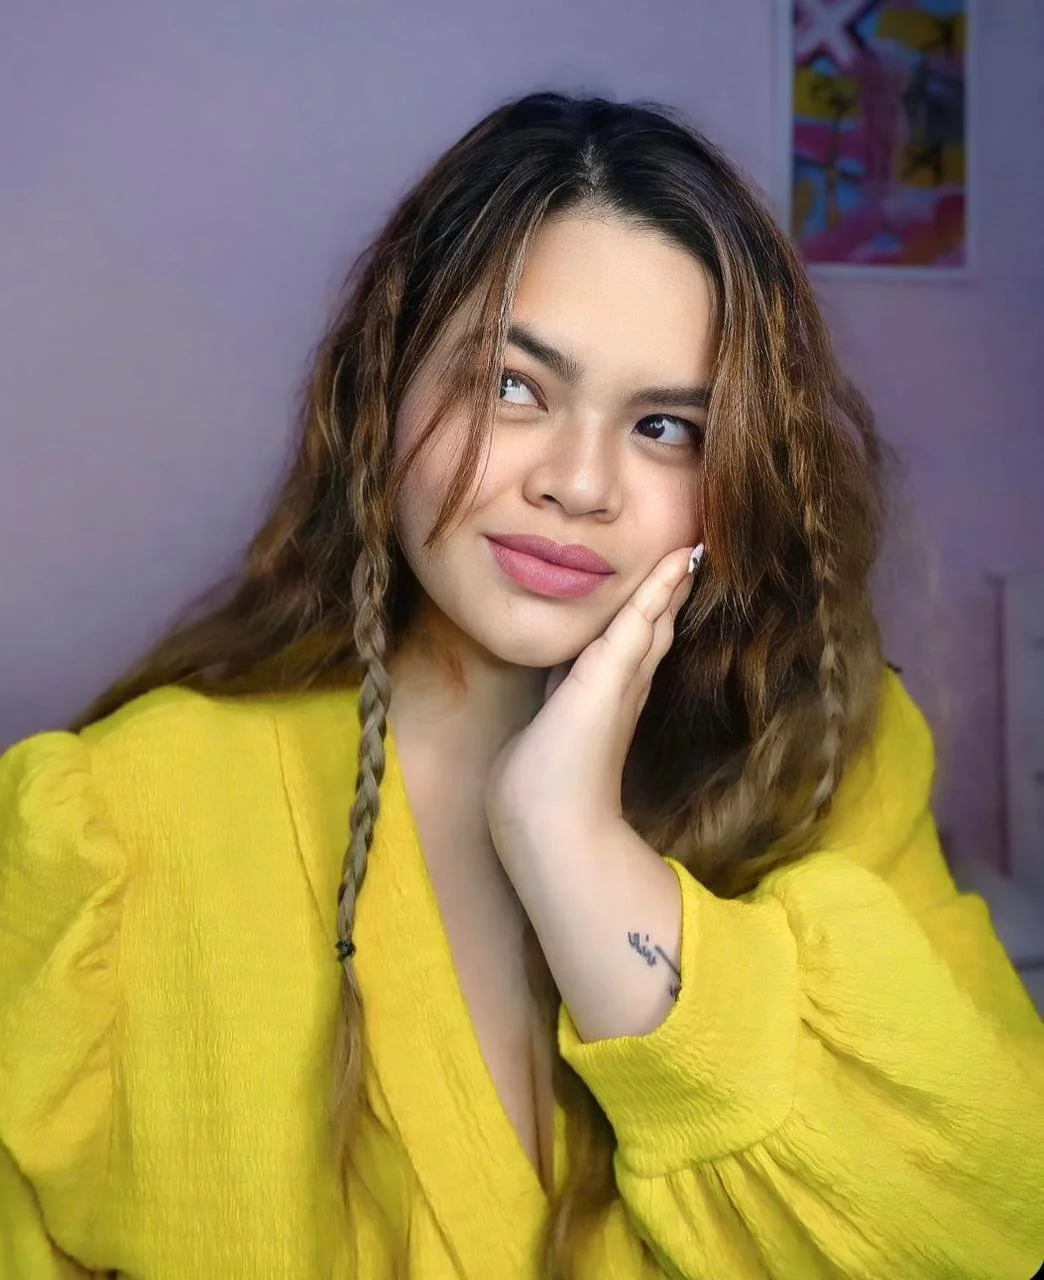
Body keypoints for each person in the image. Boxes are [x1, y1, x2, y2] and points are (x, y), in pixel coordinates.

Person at [0, 91, 1041, 1280]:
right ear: (383, 386)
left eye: (665, 426)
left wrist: (573, 846)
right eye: (512, 385)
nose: (580, 482)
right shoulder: (122, 819)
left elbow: (993, 1229)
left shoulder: (819, 760)